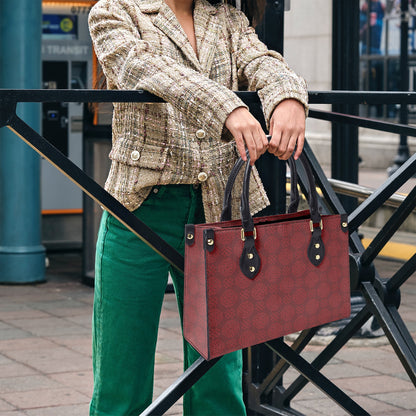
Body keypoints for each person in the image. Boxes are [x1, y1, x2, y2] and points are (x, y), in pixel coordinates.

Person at [88, 0, 308, 414]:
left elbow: (262, 61)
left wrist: (288, 98)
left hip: (219, 211)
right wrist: (229, 107)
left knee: (218, 379)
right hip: (140, 209)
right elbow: (144, 67)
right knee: (122, 374)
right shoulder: (114, 10)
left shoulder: (225, 17)